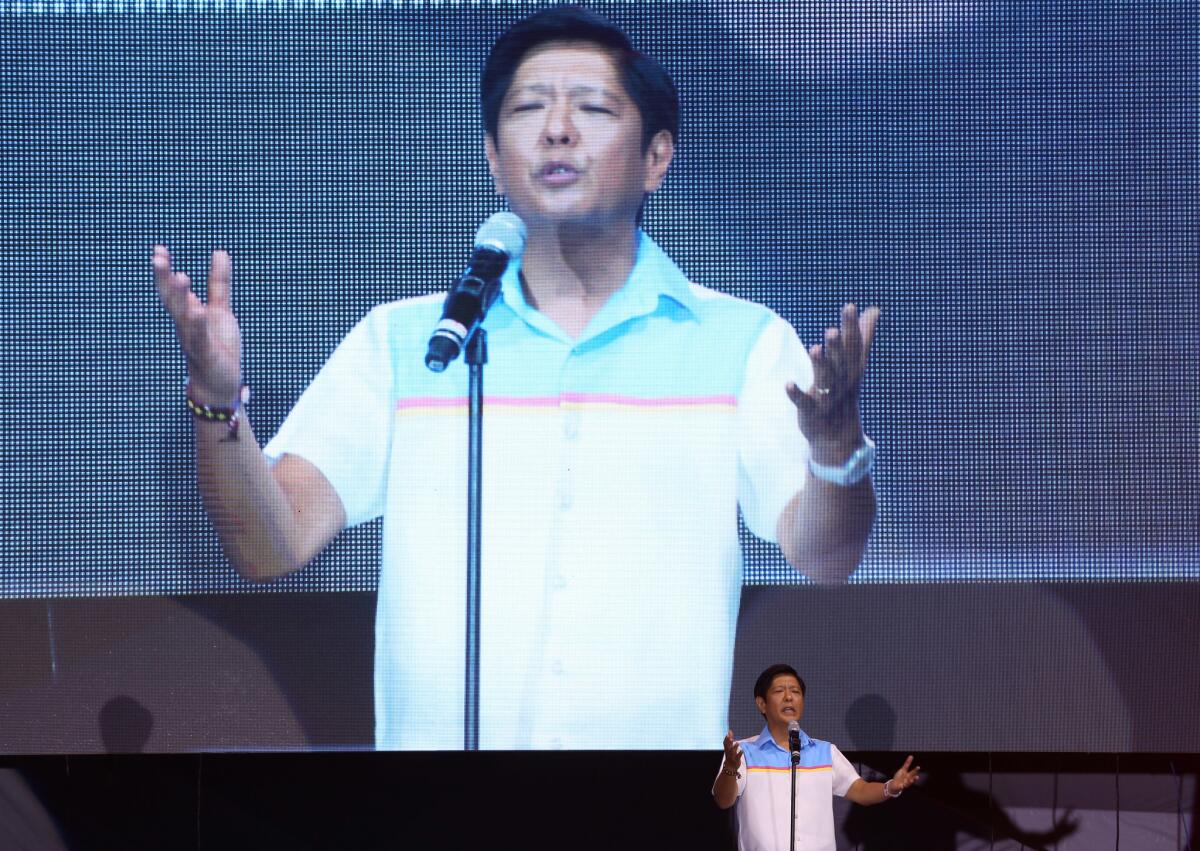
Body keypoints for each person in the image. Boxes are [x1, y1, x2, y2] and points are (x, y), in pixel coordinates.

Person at [152, 6, 881, 749]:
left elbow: (825, 553)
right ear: (496, 160)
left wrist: (835, 447)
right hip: (439, 813)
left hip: (654, 808)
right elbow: (270, 544)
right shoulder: (407, 343)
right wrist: (216, 403)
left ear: (658, 158)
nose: (556, 130)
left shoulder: (743, 344)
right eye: (528, 109)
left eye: (592, 109)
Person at [713, 664, 920, 851]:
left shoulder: (825, 752)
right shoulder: (743, 751)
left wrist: (890, 787)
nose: (789, 697)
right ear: (762, 704)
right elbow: (723, 800)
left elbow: (860, 790)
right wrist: (731, 767)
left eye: (795, 692)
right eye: (779, 691)